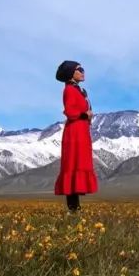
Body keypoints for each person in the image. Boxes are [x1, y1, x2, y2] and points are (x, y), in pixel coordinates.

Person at [54, 60, 98, 211]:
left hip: (82, 131)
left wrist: (87, 116)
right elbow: (70, 112)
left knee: (79, 163)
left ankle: (75, 207)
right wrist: (85, 114)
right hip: (75, 132)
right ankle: (73, 207)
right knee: (73, 163)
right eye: (80, 69)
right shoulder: (69, 90)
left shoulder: (78, 90)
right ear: (71, 74)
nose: (83, 72)